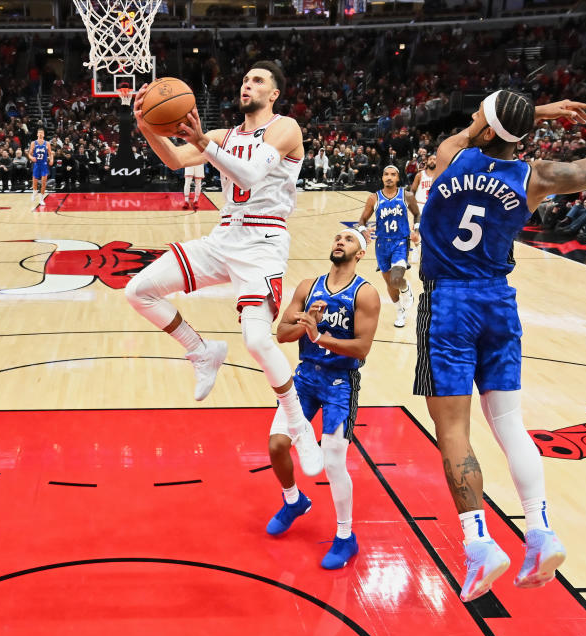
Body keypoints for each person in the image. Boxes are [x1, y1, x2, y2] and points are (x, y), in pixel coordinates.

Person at [414, 40, 586, 603]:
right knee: (509, 425)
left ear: (484, 127)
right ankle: (540, 532)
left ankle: (479, 546)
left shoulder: (450, 154)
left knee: (453, 433)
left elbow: (473, 133)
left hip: (448, 304)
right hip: (498, 302)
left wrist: (517, 114)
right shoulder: (534, 177)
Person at [127, 61, 323, 477]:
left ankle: (298, 425)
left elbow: (251, 175)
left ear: (273, 94)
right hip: (224, 236)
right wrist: (146, 125)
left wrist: (203, 140)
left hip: (264, 243)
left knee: (256, 339)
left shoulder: (286, 128)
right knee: (138, 290)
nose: (247, 84)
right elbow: (177, 160)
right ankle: (202, 351)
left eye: (258, 81)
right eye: (245, 79)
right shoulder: (223, 134)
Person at [271, 228, 379, 569]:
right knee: (276, 445)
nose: (339, 241)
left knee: (332, 461)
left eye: (347, 240)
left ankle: (346, 538)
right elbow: (282, 334)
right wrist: (307, 324)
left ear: (359, 253)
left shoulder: (366, 294)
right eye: (336, 237)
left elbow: (362, 349)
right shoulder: (308, 286)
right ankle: (293, 500)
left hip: (339, 384)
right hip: (305, 378)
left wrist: (320, 336)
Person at [356, 165, 421, 328]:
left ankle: (405, 288)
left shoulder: (406, 195)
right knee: (390, 283)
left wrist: (416, 229)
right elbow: (362, 220)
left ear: (398, 178)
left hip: (400, 241)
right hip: (382, 244)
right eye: (386, 174)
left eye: (393, 174)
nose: (389, 177)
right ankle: (400, 311)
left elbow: (417, 214)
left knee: (397, 278)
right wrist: (363, 231)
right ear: (382, 177)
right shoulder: (374, 198)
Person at [28, 128, 53, 209]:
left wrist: (51, 159)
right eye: (39, 132)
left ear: (44, 134)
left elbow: (50, 153)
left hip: (44, 164)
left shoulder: (47, 143)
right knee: (34, 183)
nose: (40, 134)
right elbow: (30, 154)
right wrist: (31, 158)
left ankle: (41, 199)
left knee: (43, 183)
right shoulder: (33, 143)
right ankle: (34, 193)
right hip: (36, 165)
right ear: (37, 134)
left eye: (42, 133)